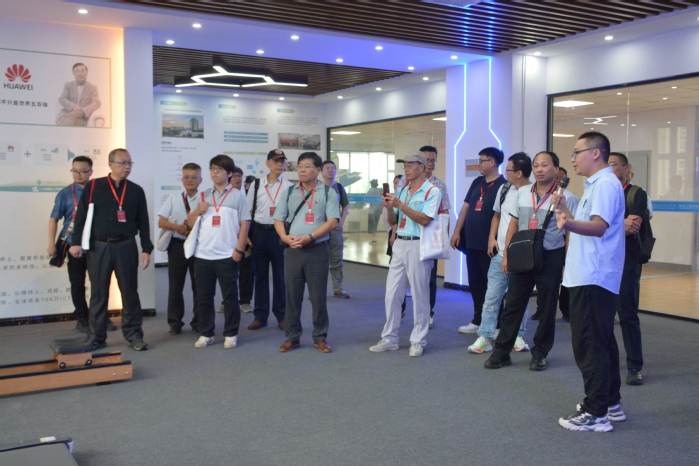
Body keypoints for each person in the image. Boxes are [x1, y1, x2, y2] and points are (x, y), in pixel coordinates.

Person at [554, 131, 626, 432]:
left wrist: (567, 222)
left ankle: (596, 413)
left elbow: (598, 228)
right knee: (602, 341)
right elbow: (588, 225)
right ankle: (610, 403)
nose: (572, 159)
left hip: (593, 277)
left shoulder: (605, 184)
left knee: (590, 345)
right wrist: (565, 211)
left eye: (577, 152)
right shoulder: (596, 185)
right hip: (588, 275)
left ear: (596, 153)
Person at [484, 151, 579, 371]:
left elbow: (571, 231)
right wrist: (507, 255)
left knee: (547, 309)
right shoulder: (523, 192)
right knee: (513, 306)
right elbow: (513, 224)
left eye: (545, 165)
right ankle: (501, 352)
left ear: (556, 169)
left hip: (551, 256)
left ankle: (540, 353)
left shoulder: (567, 197)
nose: (539, 169)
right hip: (523, 254)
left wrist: (566, 263)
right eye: (536, 165)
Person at [69, 148, 152, 351]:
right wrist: (76, 242)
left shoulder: (136, 190)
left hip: (126, 245)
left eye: (129, 163)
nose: (127, 167)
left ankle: (134, 335)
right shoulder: (94, 186)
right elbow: (81, 216)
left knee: (130, 293)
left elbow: (143, 221)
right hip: (99, 247)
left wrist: (146, 248)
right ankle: (96, 337)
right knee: (98, 294)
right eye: (122, 163)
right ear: (110, 164)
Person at [369, 152, 441, 357]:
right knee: (392, 293)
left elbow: (425, 219)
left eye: (410, 165)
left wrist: (400, 205)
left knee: (420, 294)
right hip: (400, 243)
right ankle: (389, 338)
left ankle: (418, 340)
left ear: (422, 167)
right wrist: (389, 208)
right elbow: (394, 221)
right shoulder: (402, 190)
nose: (406, 169)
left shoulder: (432, 191)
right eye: (404, 166)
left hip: (419, 244)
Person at [273, 152, 340, 353]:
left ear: (318, 170)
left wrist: (310, 237)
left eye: (307, 166)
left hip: (317, 250)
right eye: (300, 166)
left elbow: (332, 222)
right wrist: (284, 237)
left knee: (318, 297)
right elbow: (278, 219)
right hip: (293, 251)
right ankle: (292, 337)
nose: (302, 170)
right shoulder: (289, 192)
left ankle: (320, 337)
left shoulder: (328, 193)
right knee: (292, 296)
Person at [468, 152, 532, 354]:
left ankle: (518, 335)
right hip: (500, 254)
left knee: (519, 299)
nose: (505, 173)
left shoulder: (533, 193)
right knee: (491, 297)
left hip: (522, 256)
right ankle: (485, 336)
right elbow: (496, 215)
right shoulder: (504, 189)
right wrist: (492, 238)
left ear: (519, 173)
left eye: (509, 170)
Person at [187, 155, 251, 349]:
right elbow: (190, 223)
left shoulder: (238, 195)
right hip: (203, 254)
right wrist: (198, 210)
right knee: (203, 297)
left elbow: (245, 223)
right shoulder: (203, 195)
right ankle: (206, 333)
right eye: (212, 169)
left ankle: (231, 333)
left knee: (230, 296)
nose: (215, 172)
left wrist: (239, 249)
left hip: (227, 254)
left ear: (229, 173)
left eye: (220, 169)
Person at [48, 156, 116, 333]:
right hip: (74, 246)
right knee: (77, 284)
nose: (78, 174)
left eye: (83, 171)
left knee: (100, 284)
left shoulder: (100, 191)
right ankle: (82, 318)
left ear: (91, 172)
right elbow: (54, 219)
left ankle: (101, 317)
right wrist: (51, 243)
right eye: (75, 171)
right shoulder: (65, 193)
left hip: (96, 246)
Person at [450, 147, 506, 334]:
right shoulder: (477, 182)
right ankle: (478, 320)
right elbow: (465, 208)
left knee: (494, 287)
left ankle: (497, 324)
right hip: (471, 243)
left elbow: (502, 216)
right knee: (476, 285)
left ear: (493, 162)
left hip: (490, 245)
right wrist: (456, 231)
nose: (478, 164)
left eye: (482, 160)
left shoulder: (503, 186)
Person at [609, 152, 648, 385]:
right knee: (601, 315)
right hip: (604, 260)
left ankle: (634, 365)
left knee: (627, 314)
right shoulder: (602, 192)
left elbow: (630, 227)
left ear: (625, 169)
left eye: (613, 165)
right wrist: (615, 225)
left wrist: (602, 227)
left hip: (627, 261)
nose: (609, 169)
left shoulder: (636, 193)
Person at [246, 149, 293, 330]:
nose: (280, 164)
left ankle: (282, 315)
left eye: (282, 161)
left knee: (280, 276)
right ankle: (260, 315)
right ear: (267, 163)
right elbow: (248, 211)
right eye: (276, 161)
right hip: (259, 233)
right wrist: (247, 235)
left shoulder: (289, 186)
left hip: (279, 234)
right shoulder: (256, 184)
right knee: (260, 276)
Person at [157, 163, 203, 335]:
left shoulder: (205, 199)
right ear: (182, 179)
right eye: (186, 177)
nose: (189, 180)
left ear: (200, 180)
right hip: (177, 246)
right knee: (175, 287)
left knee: (199, 286)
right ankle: (175, 323)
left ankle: (198, 322)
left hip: (198, 247)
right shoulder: (174, 198)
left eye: (193, 177)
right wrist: (176, 227)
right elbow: (161, 222)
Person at [420, 145, 451, 329]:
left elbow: (445, 212)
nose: (430, 164)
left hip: (431, 236)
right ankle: (402, 310)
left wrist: (444, 238)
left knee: (430, 278)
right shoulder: (407, 183)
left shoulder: (439, 185)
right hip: (411, 236)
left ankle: (429, 312)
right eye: (427, 160)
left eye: (433, 160)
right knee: (406, 279)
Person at [321, 160, 350, 299]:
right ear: (321, 172)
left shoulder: (339, 187)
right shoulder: (317, 187)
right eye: (327, 168)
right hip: (319, 228)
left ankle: (338, 289)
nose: (330, 171)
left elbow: (345, 206)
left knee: (336, 259)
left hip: (335, 228)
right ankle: (317, 290)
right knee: (318, 259)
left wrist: (341, 223)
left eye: (333, 168)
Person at [366, 179, 383, 244]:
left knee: (372, 225)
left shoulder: (370, 191)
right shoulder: (379, 191)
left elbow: (366, 199)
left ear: (372, 184)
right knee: (375, 224)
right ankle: (374, 238)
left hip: (372, 211)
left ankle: (374, 238)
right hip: (378, 210)